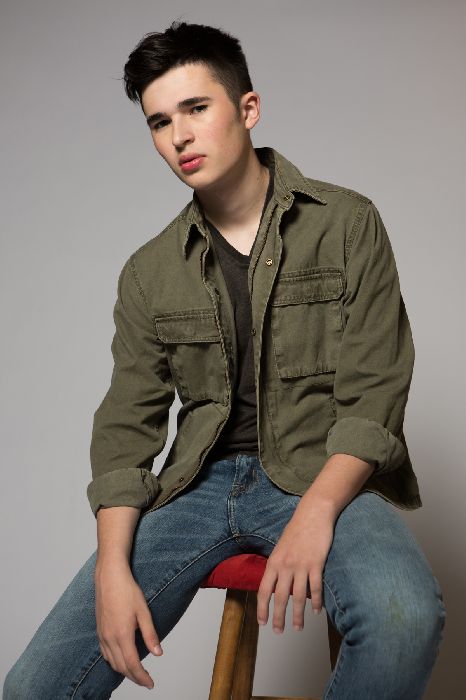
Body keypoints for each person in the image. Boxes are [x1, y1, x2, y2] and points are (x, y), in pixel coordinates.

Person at [3, 20, 446, 699]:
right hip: (197, 490)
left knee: (404, 620)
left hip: (321, 471)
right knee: (34, 686)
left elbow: (375, 393)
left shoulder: (347, 224)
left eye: (195, 108)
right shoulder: (150, 271)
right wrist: (112, 569)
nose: (178, 136)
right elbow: (126, 428)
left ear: (247, 108)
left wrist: (317, 512)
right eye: (159, 122)